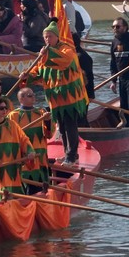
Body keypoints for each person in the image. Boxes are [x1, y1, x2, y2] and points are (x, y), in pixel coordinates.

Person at [24, 19, 90, 164]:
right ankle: (68, 153)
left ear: (57, 37)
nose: (47, 39)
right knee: (62, 127)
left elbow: (65, 61)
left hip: (69, 98)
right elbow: (38, 73)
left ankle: (71, 155)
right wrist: (27, 77)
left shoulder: (66, 49)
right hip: (55, 99)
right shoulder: (44, 55)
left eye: (50, 36)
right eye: (45, 37)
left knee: (70, 126)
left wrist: (48, 53)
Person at [0, 97, 35, 198]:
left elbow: (24, 139)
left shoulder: (13, 125)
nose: (5, 110)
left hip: (13, 167)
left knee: (15, 192)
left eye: (6, 108)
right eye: (1, 108)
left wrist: (30, 151)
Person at [10, 87, 55, 192]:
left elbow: (49, 135)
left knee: (42, 185)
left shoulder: (41, 112)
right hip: (25, 158)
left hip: (40, 155)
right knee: (27, 186)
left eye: (33, 94)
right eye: (30, 95)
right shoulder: (13, 116)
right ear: (21, 99)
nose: (33, 97)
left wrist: (48, 121)